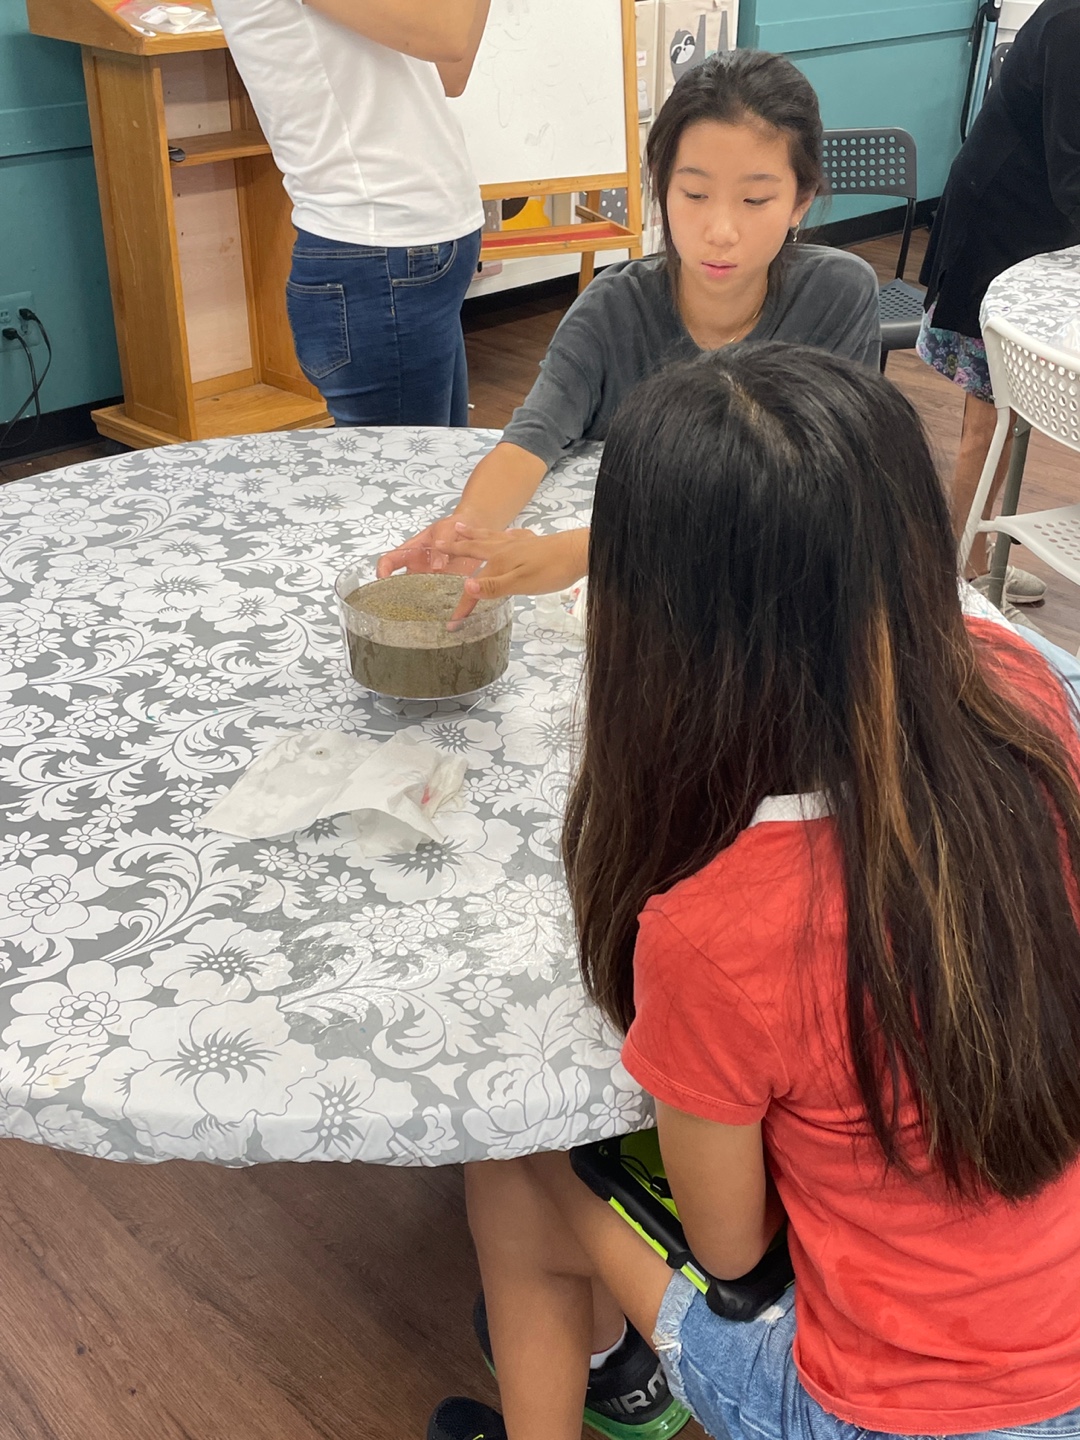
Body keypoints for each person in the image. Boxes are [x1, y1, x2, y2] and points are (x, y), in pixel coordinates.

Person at [428, 344, 1080, 1440]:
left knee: (516, 1163)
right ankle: (609, 1364)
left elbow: (734, 1251)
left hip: (889, 1411)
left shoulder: (718, 928)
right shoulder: (1023, 698)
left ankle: (602, 1375)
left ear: (650, 631)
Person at [379, 50, 880, 611]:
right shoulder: (613, 309)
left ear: (800, 202)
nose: (720, 230)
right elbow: (530, 440)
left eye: (755, 200)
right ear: (661, 189)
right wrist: (465, 534)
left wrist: (592, 549)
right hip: (638, 609)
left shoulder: (836, 296)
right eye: (694, 195)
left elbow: (820, 495)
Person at [212, 0, 488, 427]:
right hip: (375, 253)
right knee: (401, 467)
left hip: (417, 245)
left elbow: (452, 73)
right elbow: (447, 36)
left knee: (441, 462)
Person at [917, 0, 1080, 604]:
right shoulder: (1071, 24)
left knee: (1006, 420)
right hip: (997, 228)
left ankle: (976, 560)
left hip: (1035, 226)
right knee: (989, 419)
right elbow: (1072, 172)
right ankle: (958, 582)